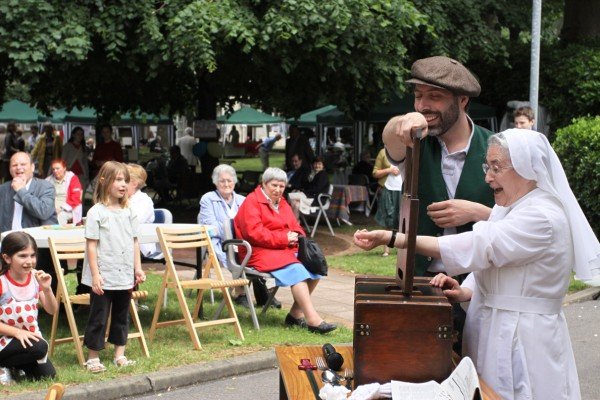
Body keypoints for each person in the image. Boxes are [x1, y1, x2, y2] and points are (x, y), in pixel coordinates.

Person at [354, 129, 600, 400]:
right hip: (495, 326)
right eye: (488, 166)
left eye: (496, 167)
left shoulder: (542, 216)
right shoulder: (514, 206)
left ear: (527, 168)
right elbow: (497, 260)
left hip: (525, 338)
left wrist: (395, 238)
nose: (487, 177)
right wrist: (468, 290)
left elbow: (481, 246)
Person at [382, 56, 495, 277]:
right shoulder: (413, 141)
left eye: (435, 97)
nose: (423, 106)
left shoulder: (496, 148)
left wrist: (476, 212)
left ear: (463, 100)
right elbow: (390, 136)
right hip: (420, 281)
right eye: (418, 96)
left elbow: (518, 223)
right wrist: (403, 121)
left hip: (481, 285)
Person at [234, 167, 337, 334]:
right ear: (264, 184)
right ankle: (313, 320)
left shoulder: (282, 202)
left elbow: (296, 226)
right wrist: (284, 238)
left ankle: (295, 314)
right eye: (274, 185)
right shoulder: (252, 202)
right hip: (257, 252)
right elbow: (254, 234)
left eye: (281, 186)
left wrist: (297, 236)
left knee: (315, 267)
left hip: (282, 249)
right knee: (297, 270)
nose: (278, 190)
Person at [81, 161, 145, 373]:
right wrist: (96, 275)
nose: (123, 184)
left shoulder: (129, 211)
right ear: (103, 181)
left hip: (124, 274)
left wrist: (137, 268)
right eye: (118, 179)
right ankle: (93, 357)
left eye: (126, 180)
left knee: (121, 315)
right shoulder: (96, 213)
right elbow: (92, 245)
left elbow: (135, 241)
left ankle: (120, 354)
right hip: (103, 275)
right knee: (98, 316)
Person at [0, 232, 58, 385]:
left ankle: (12, 365)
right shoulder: (2, 282)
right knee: (40, 346)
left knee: (48, 376)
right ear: (7, 258)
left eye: (32, 255)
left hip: (25, 341)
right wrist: (18, 332)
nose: (29, 261)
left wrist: (47, 289)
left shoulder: (36, 278)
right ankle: (2, 366)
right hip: (4, 339)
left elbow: (52, 310)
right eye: (22, 256)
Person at [0, 152, 57, 291]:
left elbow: (43, 211)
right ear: (10, 169)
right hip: (8, 242)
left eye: (23, 164)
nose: (18, 167)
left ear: (32, 167)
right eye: (14, 165)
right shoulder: (3, 189)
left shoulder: (45, 187)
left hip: (38, 244)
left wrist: (21, 191)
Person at [372, 147, 402, 257]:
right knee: (388, 219)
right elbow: (375, 173)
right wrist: (389, 170)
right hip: (387, 189)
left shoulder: (408, 150)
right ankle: (386, 249)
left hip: (404, 191)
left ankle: (402, 248)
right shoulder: (383, 152)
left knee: (403, 220)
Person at [126, 163, 156, 258]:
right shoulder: (121, 198)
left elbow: (134, 222)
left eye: (123, 180)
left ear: (134, 184)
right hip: (124, 243)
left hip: (141, 245)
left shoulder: (144, 200)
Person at [46, 159, 83, 226]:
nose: (55, 171)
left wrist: (61, 209)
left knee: (61, 216)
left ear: (64, 168)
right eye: (53, 169)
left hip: (69, 209)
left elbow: (76, 198)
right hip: (52, 209)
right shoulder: (48, 180)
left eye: (57, 168)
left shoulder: (72, 178)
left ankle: (58, 235)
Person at [62, 126, 90, 190]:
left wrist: (87, 177)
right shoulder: (67, 146)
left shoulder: (83, 148)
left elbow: (85, 164)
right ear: (73, 135)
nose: (80, 136)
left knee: (80, 197)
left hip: (81, 176)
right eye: (78, 134)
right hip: (69, 175)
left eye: (81, 134)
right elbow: (62, 161)